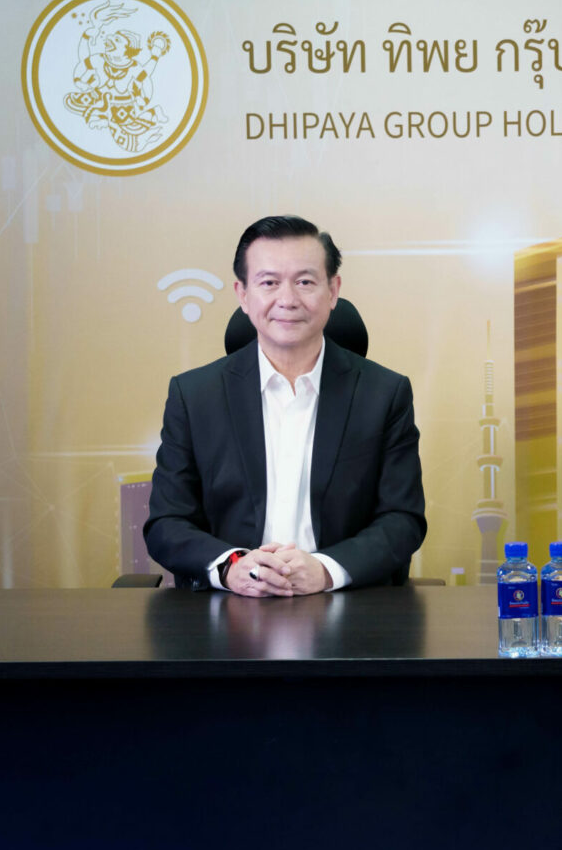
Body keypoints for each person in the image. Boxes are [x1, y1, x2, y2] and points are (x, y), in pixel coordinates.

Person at [144, 215, 426, 596]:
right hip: (228, 608)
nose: (288, 299)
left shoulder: (384, 394)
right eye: (269, 283)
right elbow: (167, 522)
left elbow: (403, 519)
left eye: (305, 282)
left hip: (347, 607)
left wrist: (325, 570)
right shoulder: (194, 396)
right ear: (243, 294)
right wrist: (232, 566)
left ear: (333, 291)